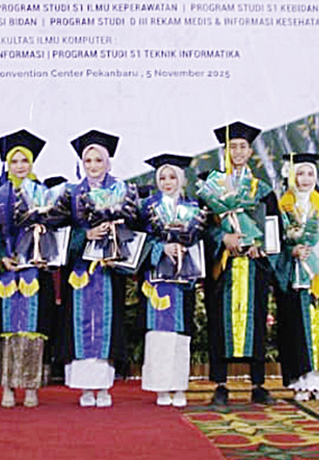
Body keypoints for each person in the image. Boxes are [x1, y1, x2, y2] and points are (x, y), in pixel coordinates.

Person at [195, 121, 277, 406]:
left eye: (243, 147)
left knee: (256, 321)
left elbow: (273, 225)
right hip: (224, 267)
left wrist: (260, 245)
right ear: (225, 151)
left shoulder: (261, 189)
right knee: (219, 322)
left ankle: (258, 384)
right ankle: (220, 384)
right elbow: (203, 227)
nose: (238, 152)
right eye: (233, 147)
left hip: (253, 267)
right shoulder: (213, 188)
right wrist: (223, 238)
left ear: (250, 151)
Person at [56, 130, 139, 408]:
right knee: (80, 325)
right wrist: (86, 235)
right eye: (88, 160)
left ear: (108, 162)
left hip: (108, 271)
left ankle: (104, 386)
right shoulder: (71, 194)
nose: (93, 165)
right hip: (80, 272)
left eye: (98, 160)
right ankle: (83, 388)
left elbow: (134, 227)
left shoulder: (122, 192)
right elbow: (62, 234)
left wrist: (116, 235)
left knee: (107, 326)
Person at [0, 129, 58, 408]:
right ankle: (8, 386)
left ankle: (32, 385)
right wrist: (0, 257)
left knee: (34, 331)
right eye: (15, 161)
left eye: (25, 160)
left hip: (35, 270)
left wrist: (45, 250)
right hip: (8, 271)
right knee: (7, 331)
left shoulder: (44, 194)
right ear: (7, 164)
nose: (20, 166)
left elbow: (54, 228)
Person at [138, 154, 206, 407]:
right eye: (163, 177)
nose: (167, 182)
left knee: (181, 334)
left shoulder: (194, 208)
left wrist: (187, 247)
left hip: (183, 279)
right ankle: (160, 387)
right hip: (158, 280)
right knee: (159, 334)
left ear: (181, 179)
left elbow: (201, 239)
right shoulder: (148, 208)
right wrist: (161, 248)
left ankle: (179, 386)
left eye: (172, 177)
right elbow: (138, 240)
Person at [273, 154, 319, 401]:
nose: (305, 179)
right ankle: (301, 382)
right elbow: (275, 244)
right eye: (300, 173)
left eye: (310, 173)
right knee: (297, 329)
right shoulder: (283, 207)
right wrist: (291, 251)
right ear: (291, 176)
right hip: (295, 277)